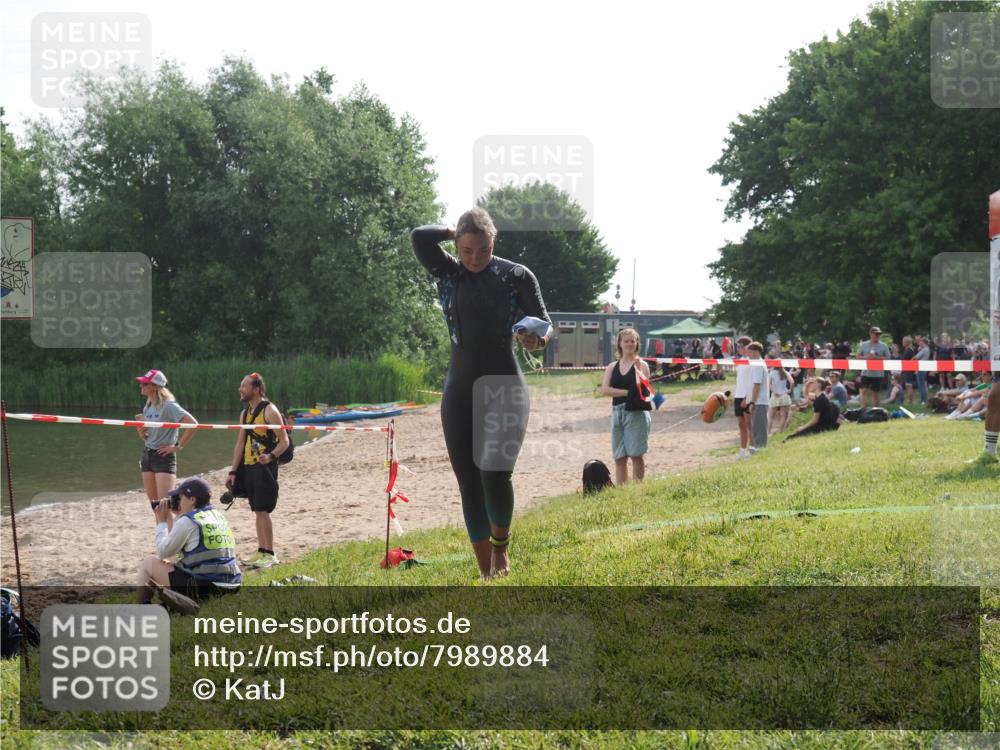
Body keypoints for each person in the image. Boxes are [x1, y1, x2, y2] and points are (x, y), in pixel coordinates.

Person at [411, 209, 551, 580]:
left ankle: (501, 551)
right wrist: (451, 229)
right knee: (468, 482)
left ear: (495, 242)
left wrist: (534, 338)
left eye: (484, 250)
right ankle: (485, 570)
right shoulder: (448, 270)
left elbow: (544, 324)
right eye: (467, 250)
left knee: (494, 472)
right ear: (457, 244)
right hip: (459, 390)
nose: (475, 259)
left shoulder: (515, 275)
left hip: (505, 386)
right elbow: (418, 237)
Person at [137, 477, 241, 603]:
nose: (178, 502)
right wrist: (179, 516)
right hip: (232, 585)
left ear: (192, 499)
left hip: (206, 589)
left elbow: (162, 551)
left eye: (180, 498)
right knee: (173, 560)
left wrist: (162, 523)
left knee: (150, 563)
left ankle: (142, 607)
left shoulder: (187, 521)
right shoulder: (218, 516)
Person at [227, 372, 289, 570]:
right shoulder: (245, 413)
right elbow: (239, 443)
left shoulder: (270, 411)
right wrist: (233, 470)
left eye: (244, 386)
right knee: (257, 510)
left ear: (256, 389)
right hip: (249, 467)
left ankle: (269, 553)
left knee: (263, 510)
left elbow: (284, 441)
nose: (241, 389)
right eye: (241, 385)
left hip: (265, 468)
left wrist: (270, 457)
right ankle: (262, 550)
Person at [135, 369, 198, 523]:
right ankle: (162, 543)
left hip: (164, 457)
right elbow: (148, 435)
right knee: (156, 507)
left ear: (155, 386)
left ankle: (174, 541)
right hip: (148, 455)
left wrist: (177, 446)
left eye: (145, 383)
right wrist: (142, 432)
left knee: (166, 506)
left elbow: (193, 424)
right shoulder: (148, 406)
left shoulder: (169, 405)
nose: (141, 385)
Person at [601, 327, 653, 485]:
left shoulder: (642, 365)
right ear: (620, 343)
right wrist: (627, 392)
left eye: (633, 341)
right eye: (626, 341)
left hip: (636, 413)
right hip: (617, 413)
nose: (629, 344)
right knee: (619, 456)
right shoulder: (612, 366)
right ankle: (622, 489)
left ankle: (637, 488)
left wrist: (637, 374)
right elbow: (605, 390)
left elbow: (644, 390)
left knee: (636, 454)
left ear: (637, 343)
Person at [746, 341, 770, 451]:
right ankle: (757, 448)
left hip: (759, 401)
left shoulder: (758, 365)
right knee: (756, 427)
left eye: (749, 352)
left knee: (759, 427)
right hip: (759, 400)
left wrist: (752, 402)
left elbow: (757, 385)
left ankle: (760, 449)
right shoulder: (758, 364)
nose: (748, 355)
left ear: (756, 352)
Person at [732, 336, 753, 458]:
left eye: (740, 346)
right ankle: (743, 450)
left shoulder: (752, 361)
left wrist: (747, 397)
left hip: (746, 395)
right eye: (737, 346)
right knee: (741, 424)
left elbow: (752, 381)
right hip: (738, 394)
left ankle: (751, 449)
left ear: (747, 347)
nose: (738, 349)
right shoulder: (741, 360)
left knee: (749, 424)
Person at [858, 326, 890, 407]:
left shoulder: (884, 346)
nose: (878, 335)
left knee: (876, 392)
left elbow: (888, 358)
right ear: (871, 334)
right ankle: (863, 409)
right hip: (866, 372)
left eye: (879, 334)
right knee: (863, 390)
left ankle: (876, 410)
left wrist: (877, 357)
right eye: (876, 334)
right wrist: (866, 357)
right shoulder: (864, 344)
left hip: (878, 373)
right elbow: (858, 356)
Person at [768, 362, 794, 434]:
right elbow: (792, 382)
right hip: (784, 395)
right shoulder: (785, 373)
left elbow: (769, 384)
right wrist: (789, 390)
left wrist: (774, 391)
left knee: (770, 416)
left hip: (775, 396)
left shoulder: (771, 373)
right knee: (783, 415)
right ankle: (781, 431)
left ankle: (768, 432)